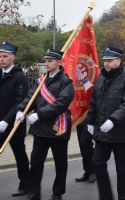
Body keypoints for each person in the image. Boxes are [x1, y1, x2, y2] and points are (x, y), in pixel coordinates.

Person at [16, 49, 75, 200]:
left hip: (58, 129)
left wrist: (39, 114)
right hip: (41, 129)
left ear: (59, 62)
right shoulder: (40, 80)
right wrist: (22, 110)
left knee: (60, 164)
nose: (47, 64)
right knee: (35, 163)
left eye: (50, 61)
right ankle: (35, 192)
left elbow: (61, 103)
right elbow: (31, 97)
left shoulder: (66, 81)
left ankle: (57, 193)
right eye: (46, 61)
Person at [86, 47, 125, 200]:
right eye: (105, 61)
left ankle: (123, 197)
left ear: (118, 61)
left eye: (109, 60)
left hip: (120, 131)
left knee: (122, 169)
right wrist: (90, 121)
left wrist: (113, 120)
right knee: (97, 162)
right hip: (103, 131)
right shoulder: (101, 78)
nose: (106, 63)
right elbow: (94, 101)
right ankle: (106, 196)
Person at [0, 41, 29, 197]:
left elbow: (21, 102)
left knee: (19, 155)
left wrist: (6, 120)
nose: (1, 59)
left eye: (5, 56)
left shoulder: (20, 77)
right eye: (0, 56)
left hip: (14, 124)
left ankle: (25, 184)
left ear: (13, 58)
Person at [74, 119, 96, 183]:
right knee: (82, 147)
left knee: (86, 143)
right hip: (80, 119)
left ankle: (93, 171)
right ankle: (87, 171)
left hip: (90, 118)